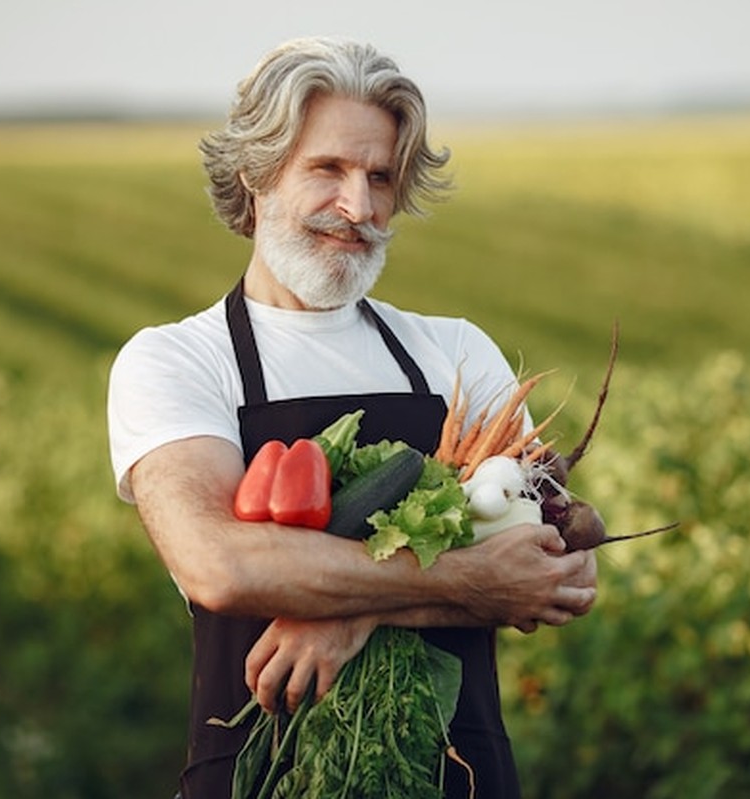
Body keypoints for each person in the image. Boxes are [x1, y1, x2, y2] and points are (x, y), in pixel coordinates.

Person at [107, 36, 598, 798]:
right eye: (328, 170)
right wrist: (465, 582)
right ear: (256, 173)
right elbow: (220, 563)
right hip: (262, 773)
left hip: (456, 775)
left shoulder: (454, 351)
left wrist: (345, 615)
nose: (359, 207)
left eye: (379, 177)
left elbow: (559, 566)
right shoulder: (177, 360)